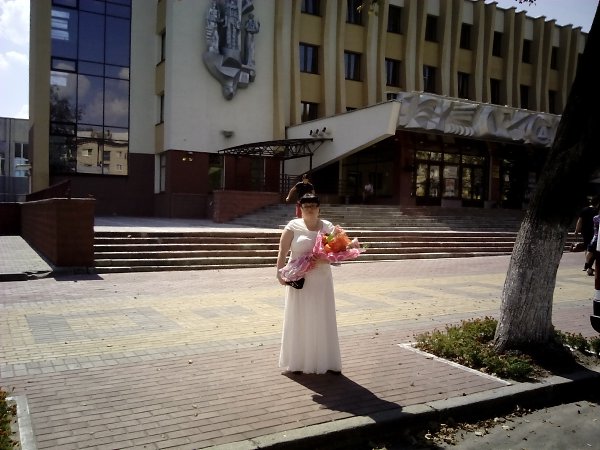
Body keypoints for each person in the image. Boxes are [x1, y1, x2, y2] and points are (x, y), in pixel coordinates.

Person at [276, 194, 342, 375]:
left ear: (319, 208)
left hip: (321, 279)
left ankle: (326, 361)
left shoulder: (328, 226)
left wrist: (324, 259)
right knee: (300, 317)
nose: (310, 209)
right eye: (306, 206)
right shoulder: (293, 226)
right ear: (300, 209)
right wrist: (279, 273)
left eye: (313, 205)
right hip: (300, 279)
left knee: (322, 317)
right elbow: (282, 252)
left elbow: (337, 252)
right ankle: (297, 362)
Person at [574, 195, 600, 272]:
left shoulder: (584, 210)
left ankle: (587, 264)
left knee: (587, 248)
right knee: (594, 249)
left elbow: (580, 221)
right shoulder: (597, 211)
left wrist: (576, 231)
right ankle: (589, 266)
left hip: (585, 232)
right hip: (596, 232)